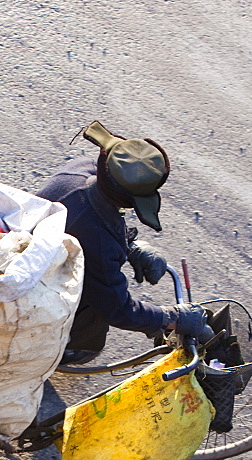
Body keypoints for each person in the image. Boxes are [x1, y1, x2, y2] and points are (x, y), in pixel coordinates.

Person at [36, 120, 210, 365]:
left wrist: (131, 245)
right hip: (34, 288)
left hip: (35, 246)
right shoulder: (100, 242)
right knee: (94, 312)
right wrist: (171, 318)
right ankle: (62, 349)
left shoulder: (79, 171)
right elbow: (118, 310)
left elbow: (93, 223)